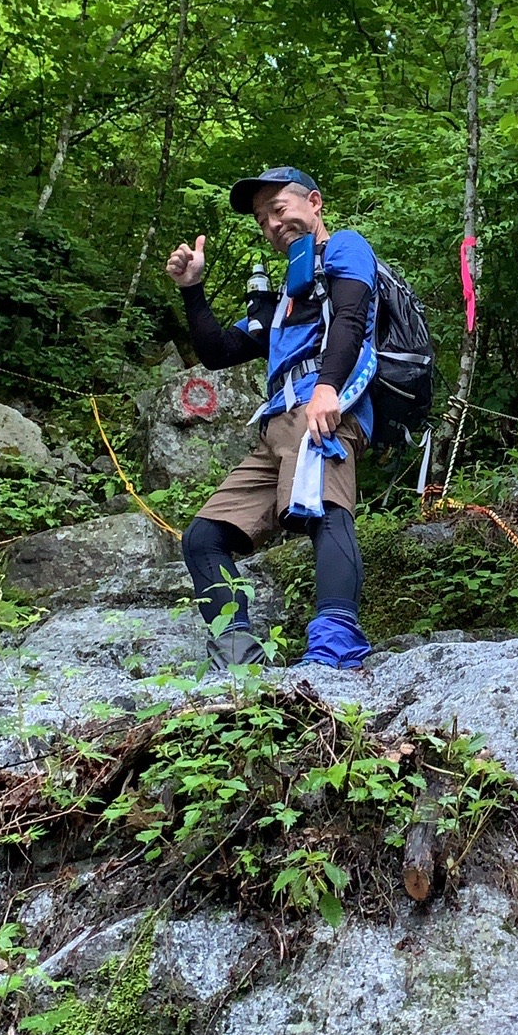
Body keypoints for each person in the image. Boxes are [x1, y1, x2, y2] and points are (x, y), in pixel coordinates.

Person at [165, 167, 376, 670]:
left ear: (315, 203)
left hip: (325, 406)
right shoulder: (284, 296)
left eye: (279, 209)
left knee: (324, 511)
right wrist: (192, 290)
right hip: (278, 424)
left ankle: (334, 649)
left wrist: (328, 388)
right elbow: (218, 352)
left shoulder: (344, 247)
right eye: (263, 219)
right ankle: (237, 655)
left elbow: (350, 317)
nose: (272, 224)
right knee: (203, 537)